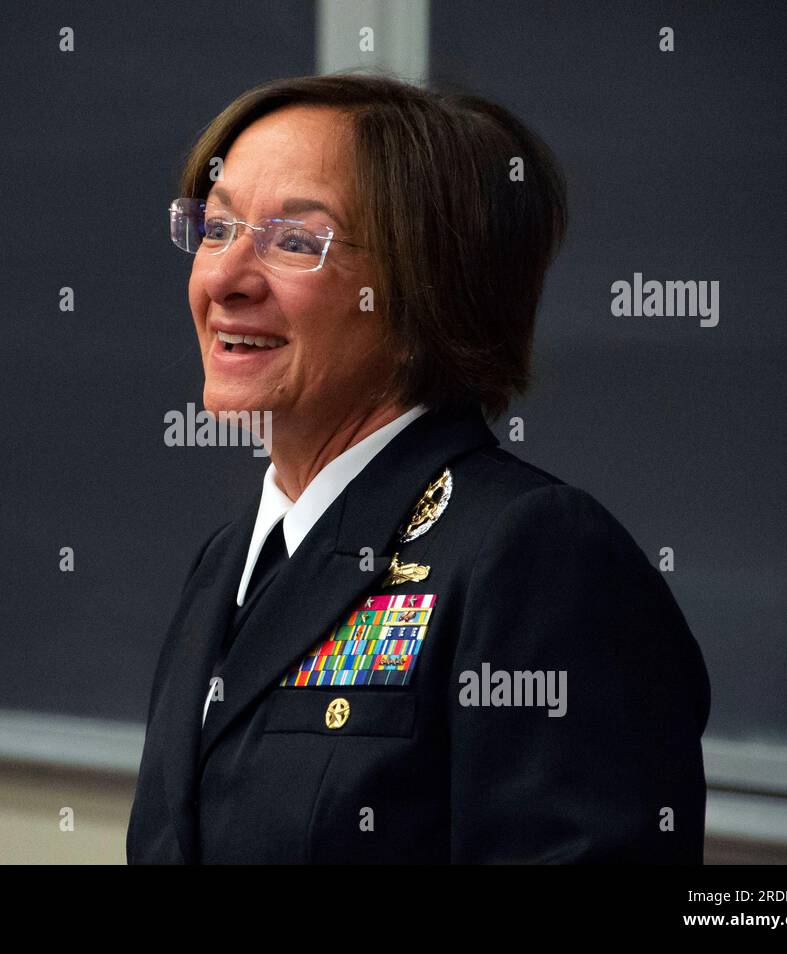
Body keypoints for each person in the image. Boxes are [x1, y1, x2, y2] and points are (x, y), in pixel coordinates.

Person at [126, 73, 710, 864]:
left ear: (424, 297)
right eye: (218, 228)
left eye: (297, 240)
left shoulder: (535, 555)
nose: (225, 278)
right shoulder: (228, 560)